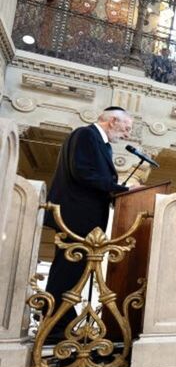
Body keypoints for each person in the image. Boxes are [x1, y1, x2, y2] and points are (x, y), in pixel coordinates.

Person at [43, 107, 134, 340]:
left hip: (83, 219)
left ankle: (59, 325)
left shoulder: (101, 144)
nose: (128, 134)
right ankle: (54, 328)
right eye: (126, 127)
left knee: (72, 274)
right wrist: (120, 190)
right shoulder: (85, 135)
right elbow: (82, 172)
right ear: (113, 120)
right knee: (67, 273)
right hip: (75, 217)